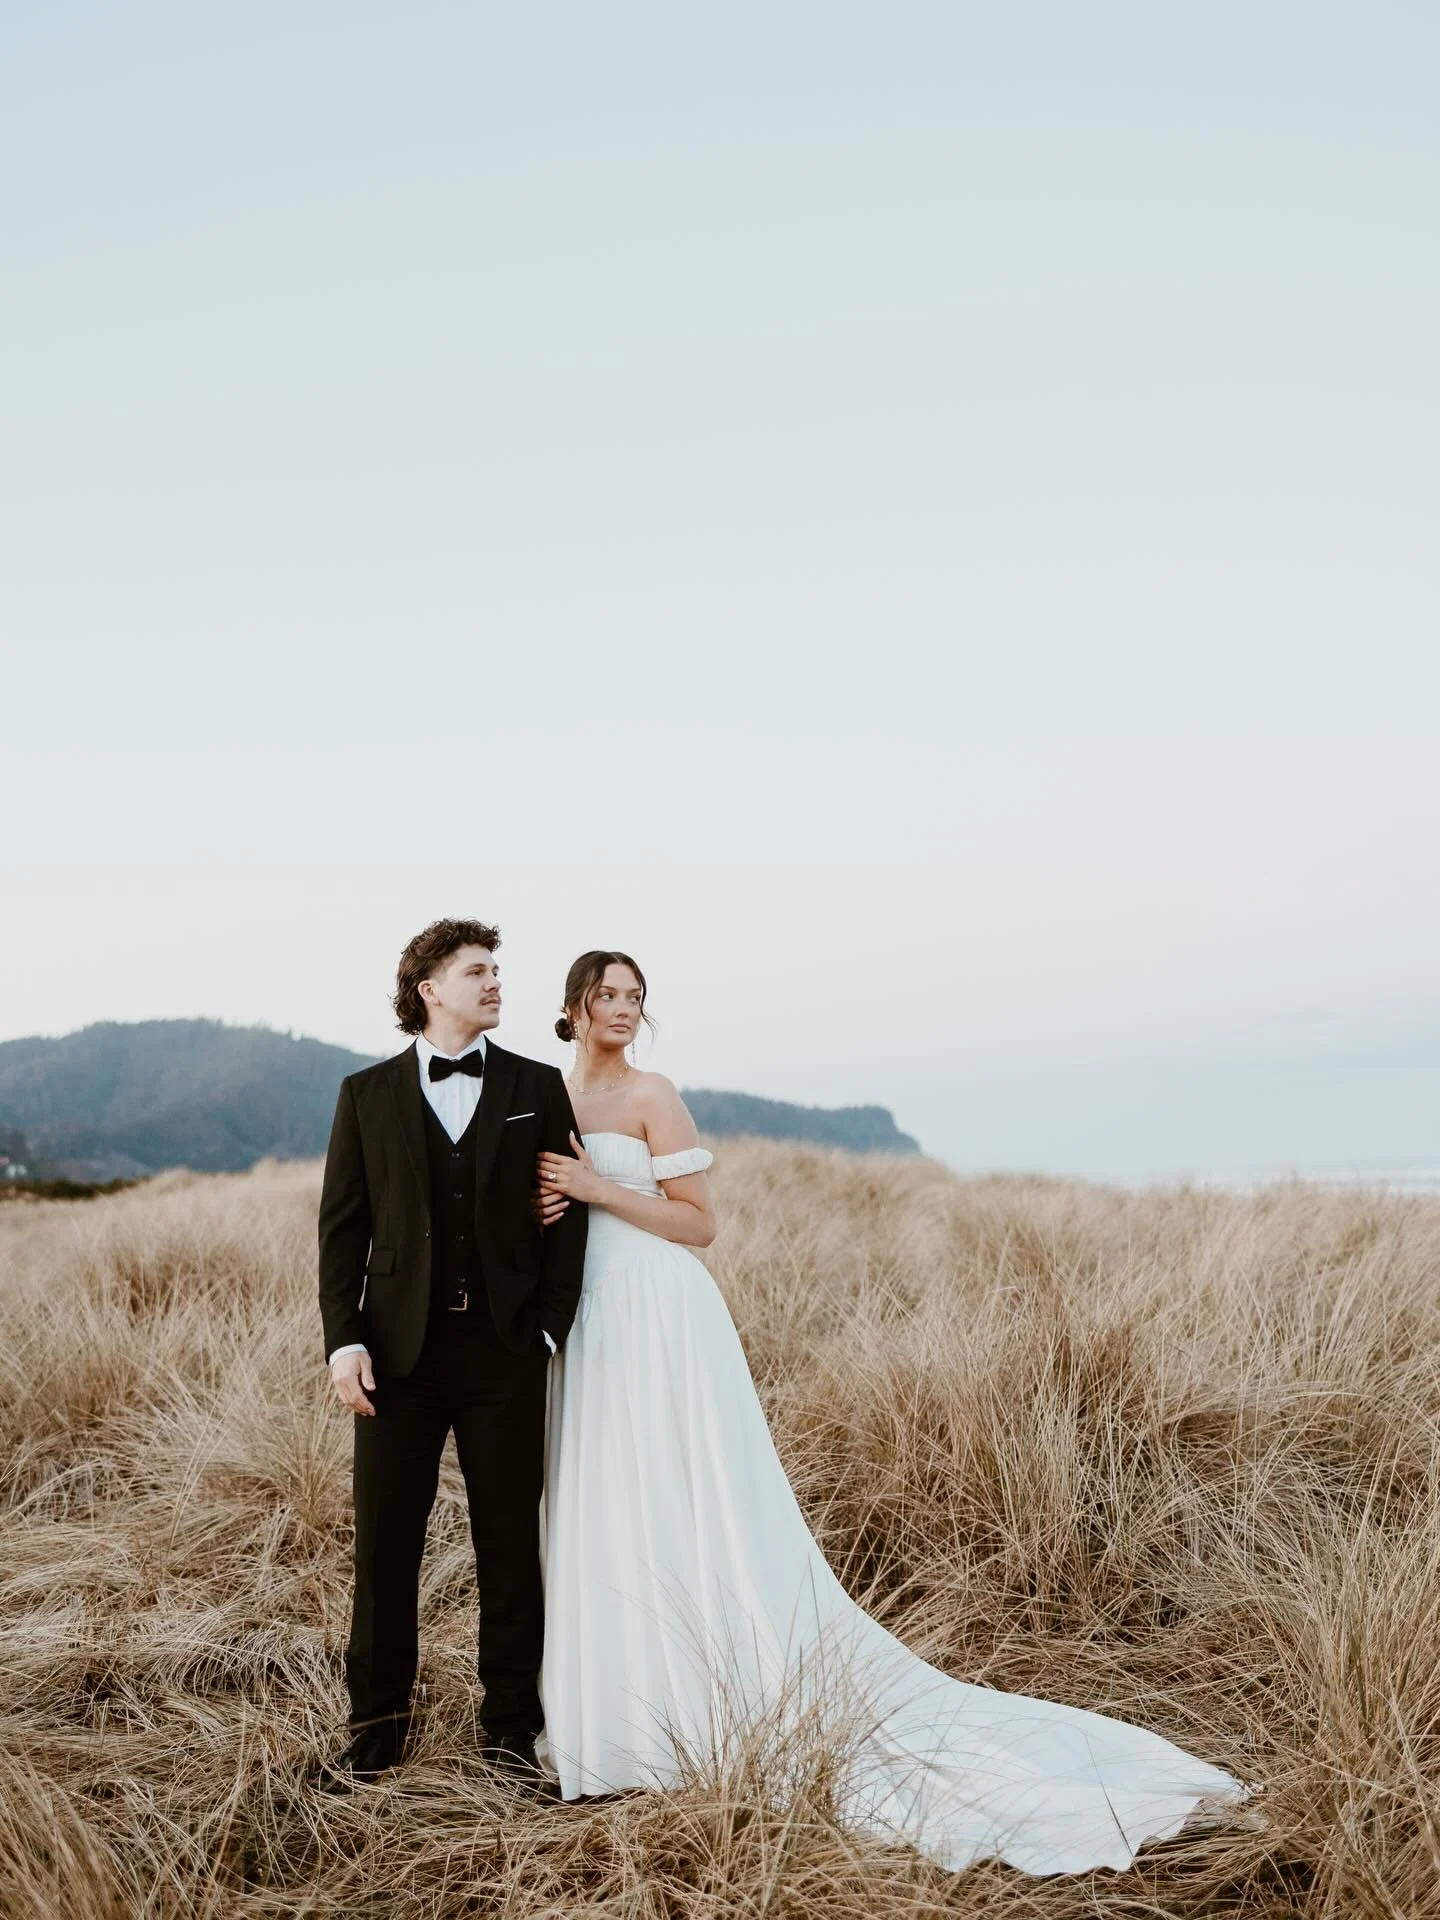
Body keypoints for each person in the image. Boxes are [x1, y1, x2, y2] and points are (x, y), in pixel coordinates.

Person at [532, 950, 1251, 1876]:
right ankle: (615, 1705)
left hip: (660, 1311)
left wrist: (598, 1189)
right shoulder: (546, 1095)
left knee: (680, 1490)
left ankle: (702, 1684)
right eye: (608, 996)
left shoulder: (652, 1094)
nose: (624, 1010)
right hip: (585, 1317)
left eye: (636, 998)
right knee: (606, 1498)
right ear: (573, 1007)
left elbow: (699, 1223)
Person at [315, 918, 587, 1788]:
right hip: (397, 1357)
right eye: (479, 972)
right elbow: (341, 1231)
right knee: (386, 1544)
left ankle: (510, 1733)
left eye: (498, 971)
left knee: (510, 1544)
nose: (497, 983)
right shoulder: (365, 1094)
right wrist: (344, 1340)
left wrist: (549, 1323)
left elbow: (568, 1210)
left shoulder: (537, 1084)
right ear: (430, 988)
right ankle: (376, 1732)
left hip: (505, 1351)